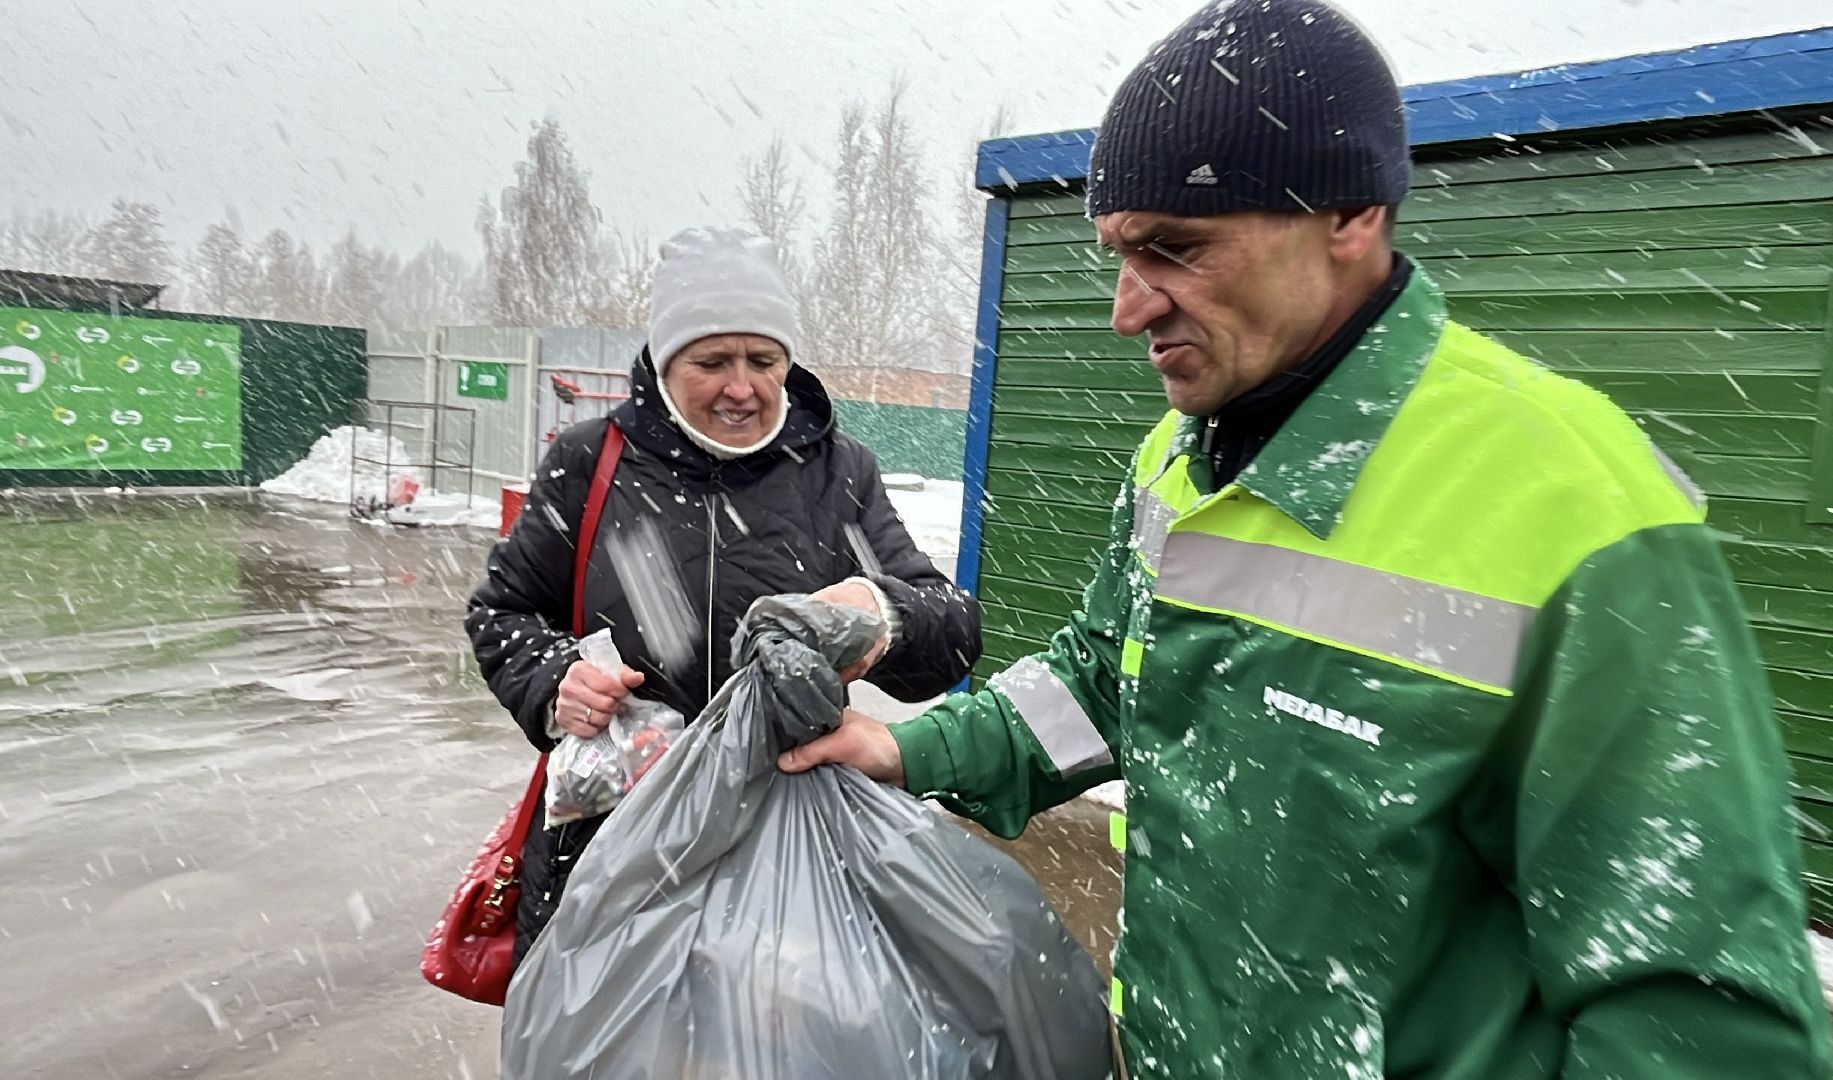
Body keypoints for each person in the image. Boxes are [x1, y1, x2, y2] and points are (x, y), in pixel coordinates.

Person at [780, 2, 1832, 1075]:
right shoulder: (1179, 458)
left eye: (1175, 249)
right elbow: (1104, 686)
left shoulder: (1578, 512)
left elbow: (1696, 1017)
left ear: (1351, 216)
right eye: (1117, 255)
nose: (1127, 308)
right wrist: (910, 748)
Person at [467, 227, 980, 966]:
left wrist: (881, 615)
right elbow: (502, 612)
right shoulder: (591, 462)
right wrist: (554, 681)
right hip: (611, 843)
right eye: (712, 361)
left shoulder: (835, 473)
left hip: (788, 847)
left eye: (763, 360)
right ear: (665, 364)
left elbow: (953, 631)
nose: (742, 387)